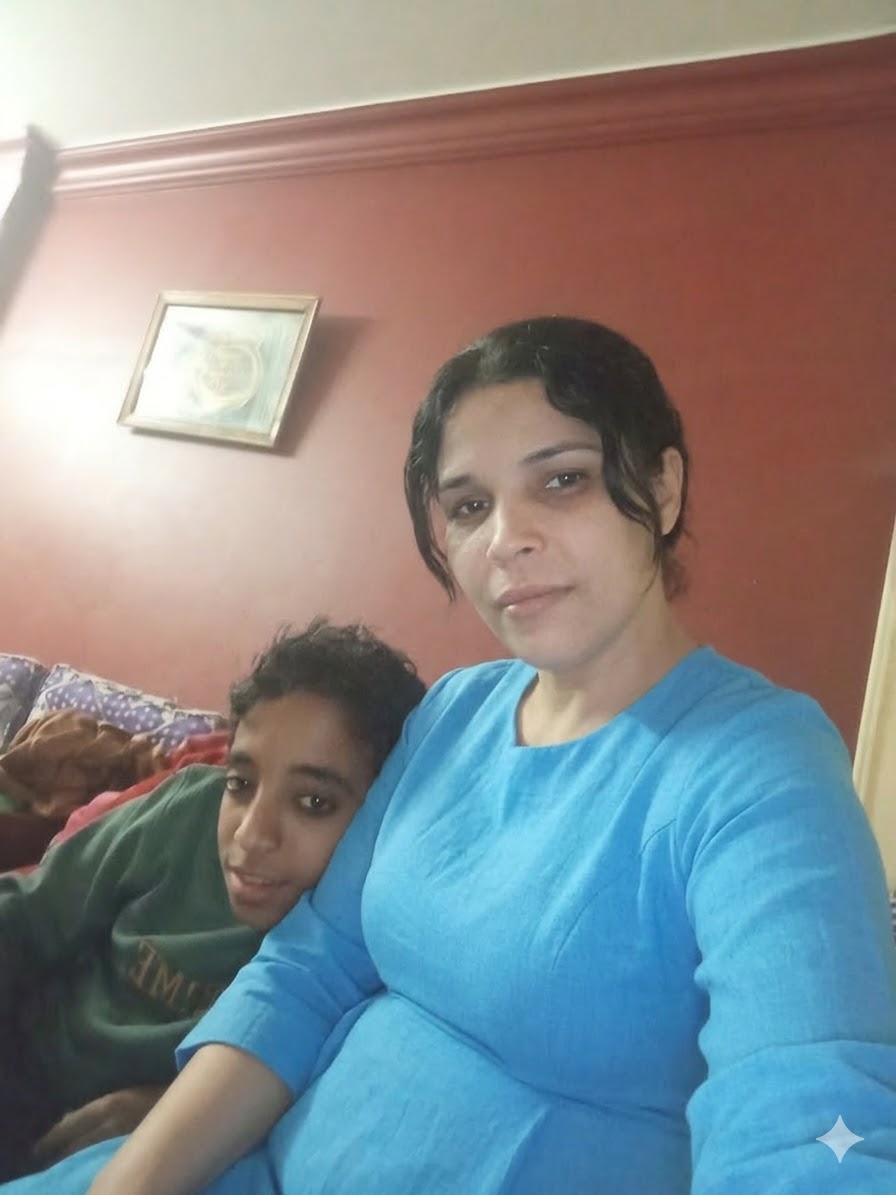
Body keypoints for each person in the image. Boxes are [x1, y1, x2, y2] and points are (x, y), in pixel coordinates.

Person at [6, 317, 896, 1194]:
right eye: (469, 506)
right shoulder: (454, 712)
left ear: (663, 489)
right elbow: (306, 971)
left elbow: (808, 1110)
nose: (506, 537)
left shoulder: (761, 769)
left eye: (562, 480)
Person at [0, 619, 425, 1182]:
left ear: (385, 816)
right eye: (241, 784)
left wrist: (169, 1107)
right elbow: (27, 915)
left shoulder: (377, 952)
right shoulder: (187, 811)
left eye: (314, 802)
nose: (251, 835)